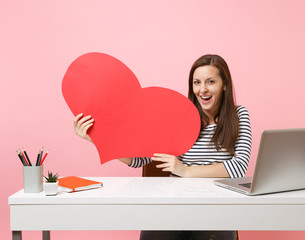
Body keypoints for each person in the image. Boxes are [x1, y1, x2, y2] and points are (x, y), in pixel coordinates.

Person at [74, 54, 252, 240]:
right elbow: (138, 159)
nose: (202, 90)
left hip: (216, 210)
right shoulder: (180, 116)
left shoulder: (239, 115)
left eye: (211, 82)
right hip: (174, 206)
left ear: (224, 85)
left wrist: (185, 171)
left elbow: (238, 168)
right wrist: (96, 139)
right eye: (196, 82)